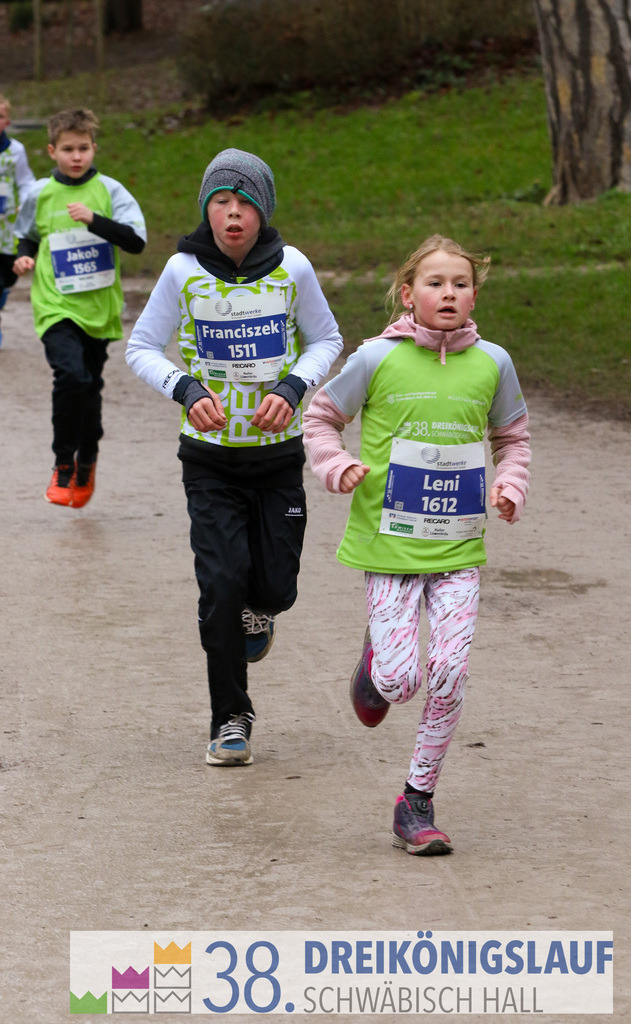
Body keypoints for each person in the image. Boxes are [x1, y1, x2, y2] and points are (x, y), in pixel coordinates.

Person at [303, 234, 531, 855]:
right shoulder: (376, 359)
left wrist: (509, 483)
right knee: (403, 682)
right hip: (389, 548)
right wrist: (336, 465)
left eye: (460, 283)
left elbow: (512, 438)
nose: (448, 293)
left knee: (450, 672)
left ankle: (416, 800)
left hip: (457, 551)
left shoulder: (494, 363)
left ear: (474, 294)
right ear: (409, 295)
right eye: (435, 283)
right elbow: (320, 417)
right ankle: (377, 668)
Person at [126, 148, 343, 767]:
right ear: (207, 210)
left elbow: (327, 337)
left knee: (274, 586)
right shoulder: (182, 271)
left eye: (245, 202)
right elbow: (141, 347)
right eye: (221, 202)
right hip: (210, 461)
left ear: (263, 210)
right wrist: (186, 390)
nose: (233, 214)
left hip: (278, 459)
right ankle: (230, 718)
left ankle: (262, 612)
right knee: (220, 585)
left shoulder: (292, 269)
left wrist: (293, 387)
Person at [13, 107, 146, 507]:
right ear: (52, 150)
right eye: (68, 149)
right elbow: (27, 236)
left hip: (98, 308)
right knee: (71, 377)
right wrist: (24, 258)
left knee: (90, 387)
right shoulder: (39, 193)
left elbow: (136, 242)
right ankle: (62, 464)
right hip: (55, 305)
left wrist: (94, 220)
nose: (76, 156)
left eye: (83, 148)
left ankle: (87, 459)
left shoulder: (110, 191)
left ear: (93, 149)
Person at [0, 93, 36, 347]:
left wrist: (25, 200)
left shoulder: (16, 151)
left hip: (8, 227)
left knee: (7, 277)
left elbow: (26, 182)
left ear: (8, 121)